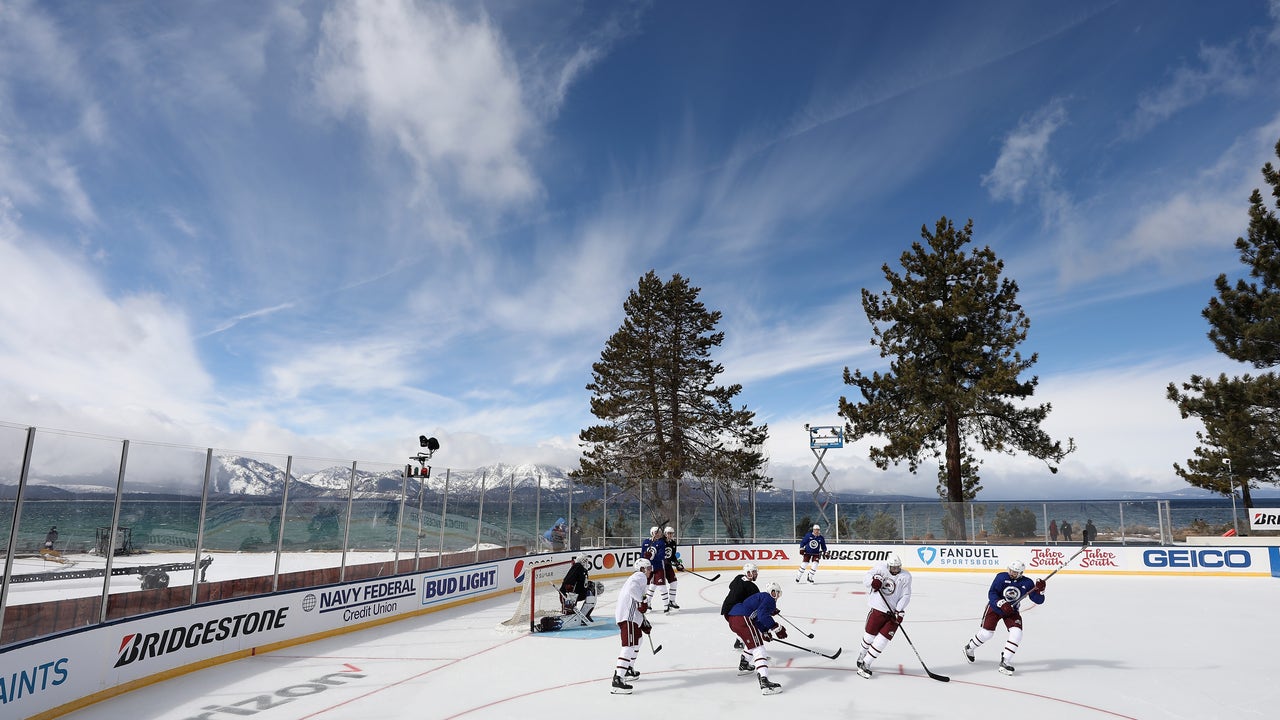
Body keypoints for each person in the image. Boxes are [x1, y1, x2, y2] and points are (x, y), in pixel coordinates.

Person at [963, 559, 1046, 675]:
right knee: (987, 634)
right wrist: (1001, 603)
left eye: (1015, 572)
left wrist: (1040, 591)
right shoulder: (1001, 577)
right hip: (995, 608)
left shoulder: (1027, 583)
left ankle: (1005, 662)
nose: (1011, 573)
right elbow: (992, 593)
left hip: (1012, 611)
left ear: (1021, 573)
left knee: (1017, 633)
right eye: (1011, 570)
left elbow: (1038, 600)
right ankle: (969, 648)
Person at [856, 553, 912, 679]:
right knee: (869, 637)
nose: (896, 570)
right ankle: (862, 654)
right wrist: (872, 582)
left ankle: (866, 663)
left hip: (893, 615)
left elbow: (906, 595)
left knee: (883, 640)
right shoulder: (880, 568)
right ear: (888, 566)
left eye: (898, 567)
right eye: (893, 567)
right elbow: (866, 578)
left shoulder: (906, 576)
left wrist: (899, 610)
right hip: (878, 609)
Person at [727, 582, 786, 695]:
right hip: (742, 618)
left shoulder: (763, 598)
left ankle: (744, 664)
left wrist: (765, 631)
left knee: (753, 643)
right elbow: (762, 616)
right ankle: (764, 682)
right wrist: (776, 628)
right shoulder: (768, 598)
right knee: (759, 648)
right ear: (772, 592)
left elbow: (757, 619)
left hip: (734, 619)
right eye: (776, 593)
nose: (777, 596)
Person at [611, 557, 653, 694]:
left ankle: (628, 669)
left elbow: (636, 604)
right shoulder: (639, 576)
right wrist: (642, 601)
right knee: (628, 646)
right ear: (642, 569)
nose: (650, 571)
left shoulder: (640, 578)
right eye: (648, 568)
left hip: (631, 617)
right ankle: (618, 678)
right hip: (627, 618)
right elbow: (632, 590)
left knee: (638, 640)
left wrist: (642, 620)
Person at [536, 554, 600, 631]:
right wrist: (569, 596)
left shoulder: (583, 569)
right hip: (568, 595)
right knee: (569, 616)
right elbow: (568, 581)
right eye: (586, 560)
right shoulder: (577, 566)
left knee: (591, 590)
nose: (587, 562)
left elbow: (582, 583)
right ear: (582, 560)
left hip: (575, 594)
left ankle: (584, 616)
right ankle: (546, 624)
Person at [721, 562, 760, 650]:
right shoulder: (752, 587)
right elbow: (758, 603)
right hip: (735, 613)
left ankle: (739, 642)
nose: (756, 574)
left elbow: (731, 586)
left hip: (726, 610)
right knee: (752, 628)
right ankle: (756, 652)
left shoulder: (738, 578)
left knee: (745, 628)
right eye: (754, 572)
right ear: (748, 573)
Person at [640, 526, 668, 609]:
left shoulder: (661, 543)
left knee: (662, 587)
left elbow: (661, 556)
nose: (659, 534)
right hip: (647, 568)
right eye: (657, 532)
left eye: (659, 532)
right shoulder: (646, 542)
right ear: (652, 533)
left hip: (658, 567)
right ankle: (647, 604)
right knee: (646, 586)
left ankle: (666, 605)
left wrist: (651, 556)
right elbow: (642, 555)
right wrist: (645, 557)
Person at [660, 526, 684, 612]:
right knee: (657, 586)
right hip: (660, 566)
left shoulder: (673, 543)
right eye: (669, 533)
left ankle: (672, 601)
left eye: (671, 533)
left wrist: (677, 564)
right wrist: (663, 559)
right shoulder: (661, 542)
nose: (670, 535)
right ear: (665, 534)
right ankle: (648, 603)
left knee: (674, 582)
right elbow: (658, 553)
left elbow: (673, 556)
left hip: (668, 566)